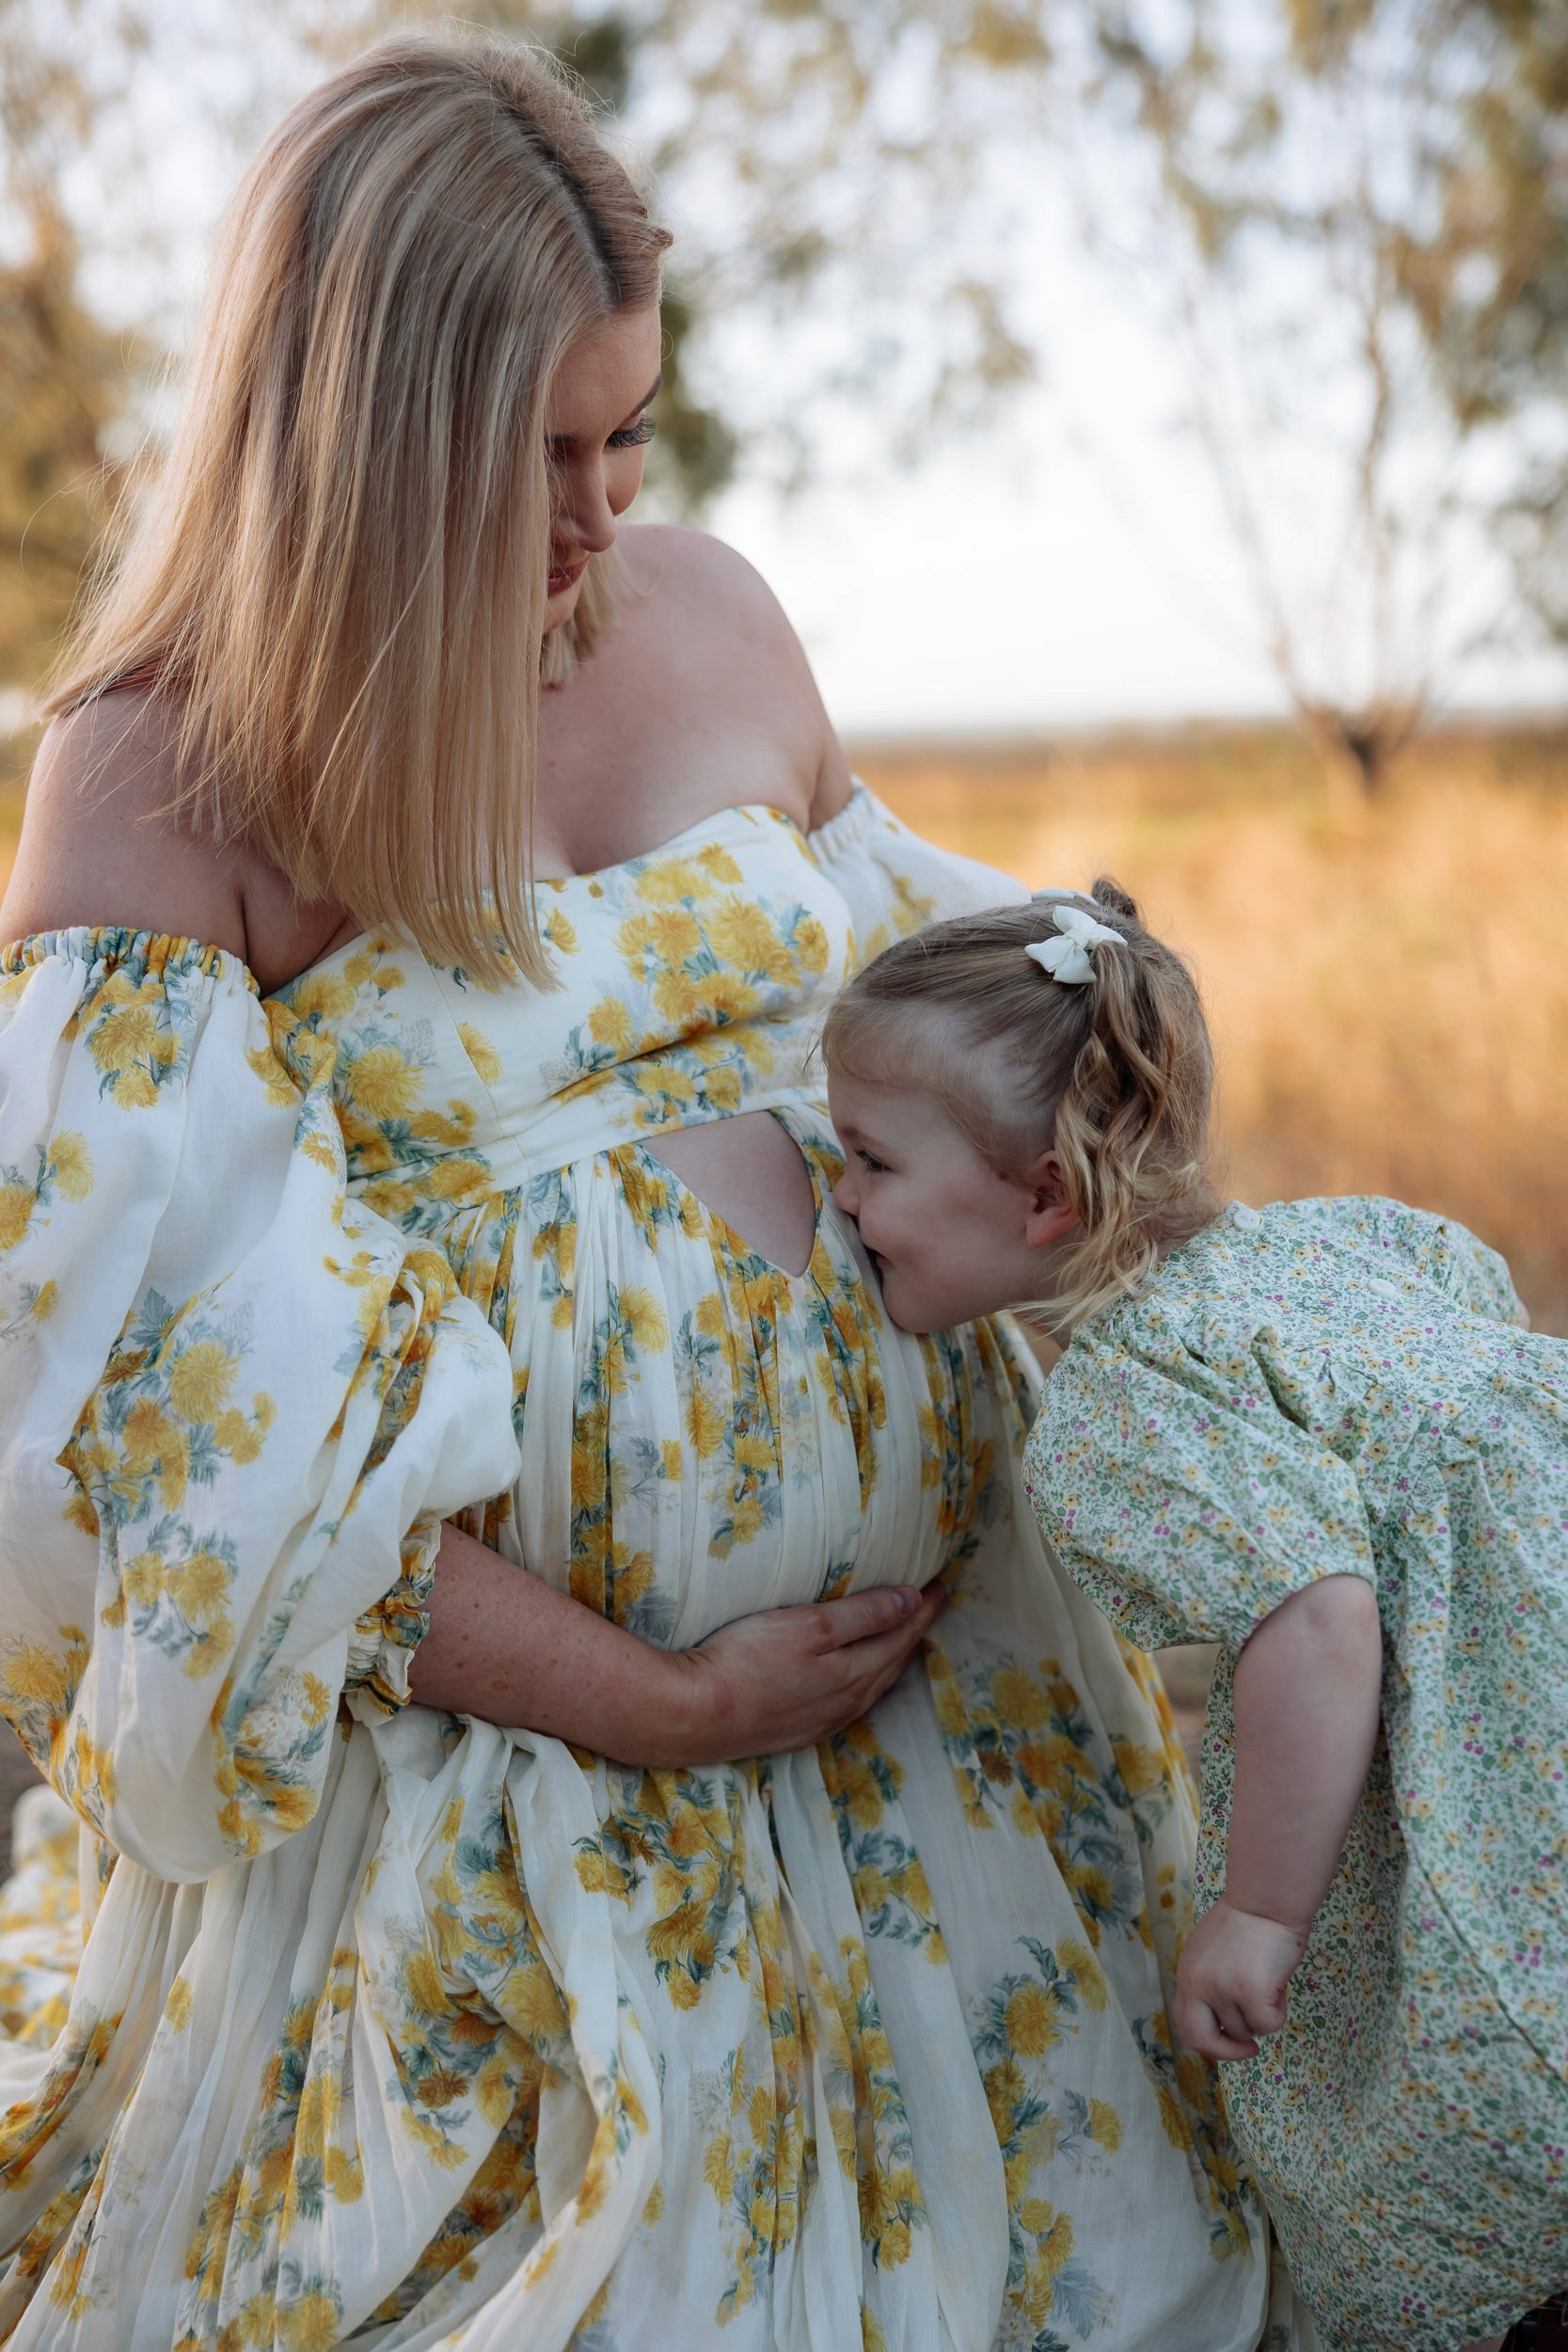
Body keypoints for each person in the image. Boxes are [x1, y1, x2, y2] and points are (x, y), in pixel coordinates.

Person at [0, 33, 1305, 2349]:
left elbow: (1012, 1051)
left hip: (952, 1731)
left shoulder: (709, 609)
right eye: (546, 454)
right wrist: (664, 1698)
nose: (608, 515)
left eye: (635, 434)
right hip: (517, 1783)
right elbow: (179, 1434)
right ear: (369, 438)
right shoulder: (167, 774)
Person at [819, 882, 1568, 2352]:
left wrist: (1261, 1914)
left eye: (867, 1161)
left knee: (1473, 2097)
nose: (838, 1200)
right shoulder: (1330, 1241)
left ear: (1044, 1196)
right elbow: (1479, 1332)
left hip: (1509, 1770)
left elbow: (1318, 1617)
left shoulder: (1118, 1412)